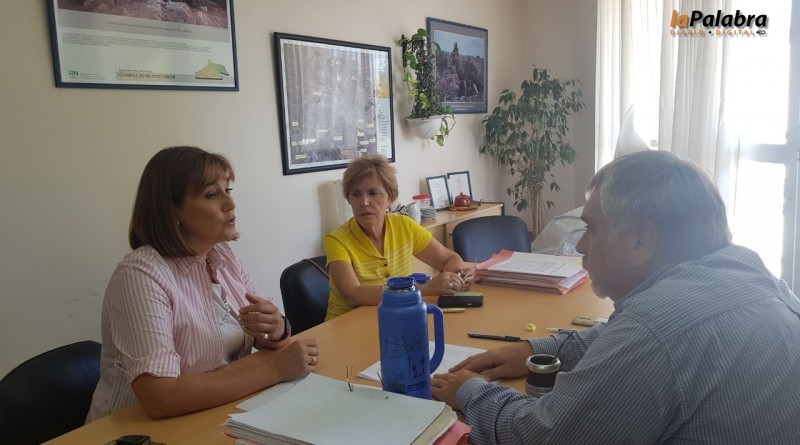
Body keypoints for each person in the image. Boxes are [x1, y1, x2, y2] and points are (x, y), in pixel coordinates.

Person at [431, 150, 800, 444]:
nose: (580, 245)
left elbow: (540, 435)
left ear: (641, 240)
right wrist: (532, 350)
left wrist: (470, 392)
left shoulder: (653, 326)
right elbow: (619, 337)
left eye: (591, 228)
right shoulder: (748, 269)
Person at [87, 146, 319, 421]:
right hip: (138, 431)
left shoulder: (222, 255)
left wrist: (277, 329)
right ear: (172, 211)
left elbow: (265, 337)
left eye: (227, 190)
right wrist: (275, 369)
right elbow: (160, 397)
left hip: (219, 410)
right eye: (211, 194)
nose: (230, 204)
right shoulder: (140, 274)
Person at [324, 155, 473, 320]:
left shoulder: (404, 226)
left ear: (391, 198)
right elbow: (353, 294)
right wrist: (423, 289)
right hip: (348, 324)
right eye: (356, 194)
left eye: (373, 193)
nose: (364, 202)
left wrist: (452, 280)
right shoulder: (337, 240)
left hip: (397, 318)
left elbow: (450, 258)